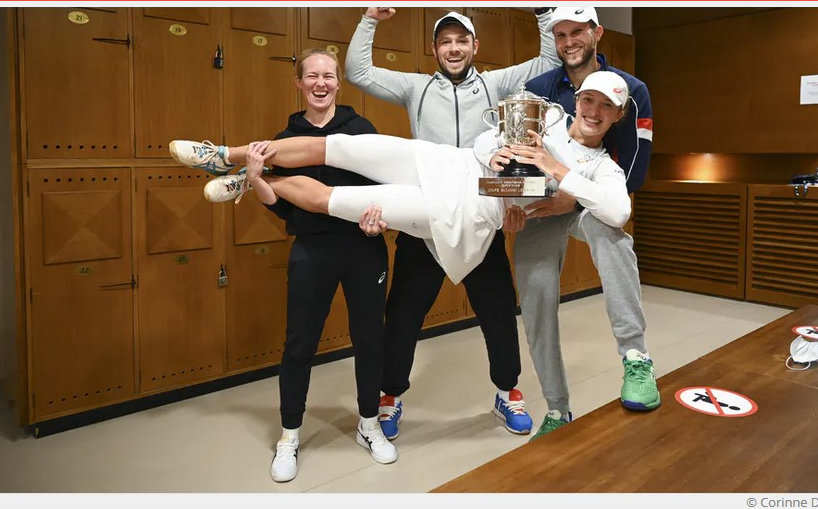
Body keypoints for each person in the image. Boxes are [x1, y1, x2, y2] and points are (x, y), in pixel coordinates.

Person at [172, 71, 632, 320]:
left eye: (605, 107)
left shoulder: (603, 169)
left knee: (339, 199)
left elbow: (616, 212)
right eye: (588, 101)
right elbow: (482, 143)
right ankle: (223, 154)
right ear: (578, 102)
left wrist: (559, 175)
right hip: (442, 162)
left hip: (459, 208)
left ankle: (255, 181)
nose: (593, 111)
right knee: (342, 146)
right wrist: (493, 150)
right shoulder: (545, 120)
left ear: (617, 116)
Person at [173, 48, 397, 483]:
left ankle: (369, 425)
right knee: (299, 345)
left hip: (362, 247)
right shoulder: (284, 137)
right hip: (312, 248)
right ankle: (289, 435)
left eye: (328, 76)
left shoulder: (360, 130)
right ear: (298, 83)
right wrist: (259, 180)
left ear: (338, 82)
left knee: (370, 339)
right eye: (311, 76)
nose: (320, 83)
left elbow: (381, 190)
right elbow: (279, 209)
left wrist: (376, 224)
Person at [344, 7, 562, 438]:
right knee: (404, 314)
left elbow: (550, 62)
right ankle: (390, 396)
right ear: (434, 49)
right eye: (446, 42)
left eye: (462, 40)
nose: (454, 48)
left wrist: (543, 13)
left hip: (481, 218)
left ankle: (508, 392)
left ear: (475, 46)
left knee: (498, 312)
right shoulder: (417, 87)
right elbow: (358, 71)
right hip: (426, 220)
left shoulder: (496, 83)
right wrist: (370, 17)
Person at [510, 7, 659, 441]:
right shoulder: (539, 89)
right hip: (543, 210)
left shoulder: (631, 89)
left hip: (589, 200)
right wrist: (516, 197)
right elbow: (514, 150)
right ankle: (557, 410)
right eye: (561, 34)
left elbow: (631, 168)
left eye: (578, 32)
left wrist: (570, 199)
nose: (569, 42)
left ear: (596, 33)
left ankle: (636, 358)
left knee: (612, 231)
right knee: (536, 304)